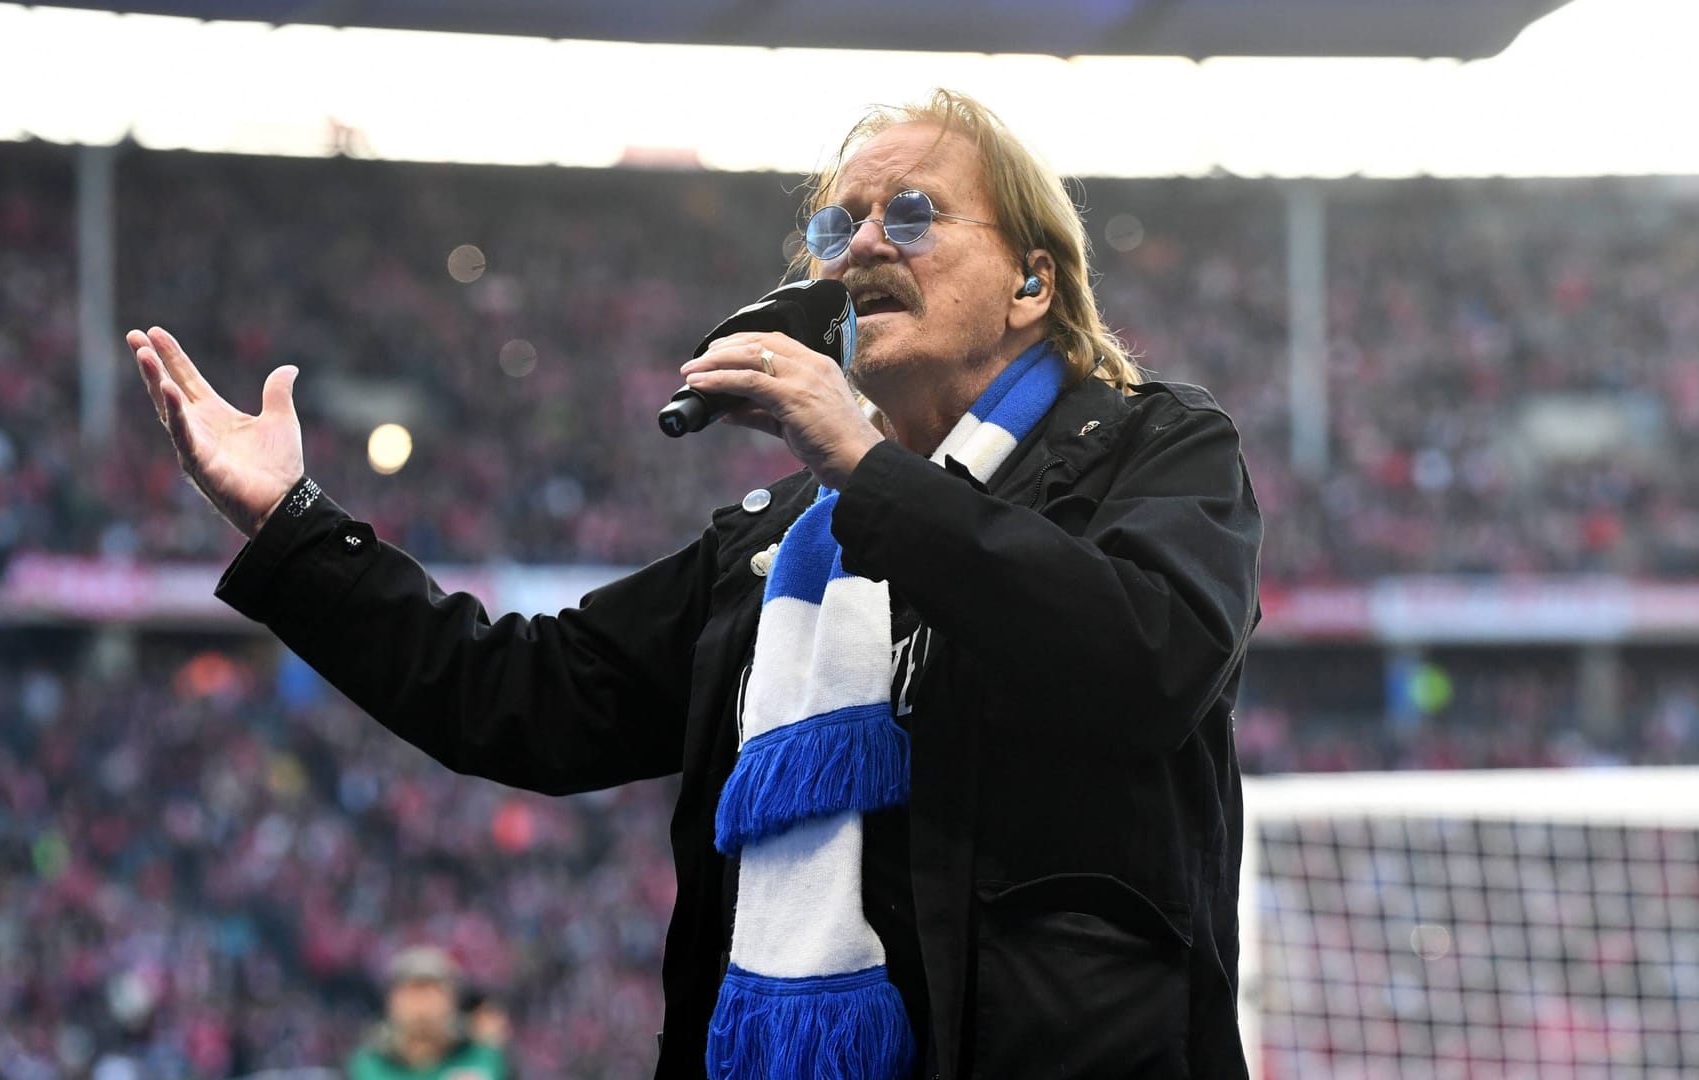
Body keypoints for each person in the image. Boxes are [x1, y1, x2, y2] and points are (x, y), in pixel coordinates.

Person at [129, 88, 1262, 1079]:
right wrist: (292, 526)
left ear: (1031, 280)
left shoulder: (1154, 450)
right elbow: (513, 699)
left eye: (909, 213)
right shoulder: (772, 548)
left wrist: (870, 474)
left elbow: (1147, 662)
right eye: (839, 223)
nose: (861, 245)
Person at [346, 947, 507, 1080]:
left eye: (431, 991)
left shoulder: (483, 1059)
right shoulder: (368, 1066)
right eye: (413, 991)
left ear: (452, 1000)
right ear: (392, 1002)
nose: (422, 1006)